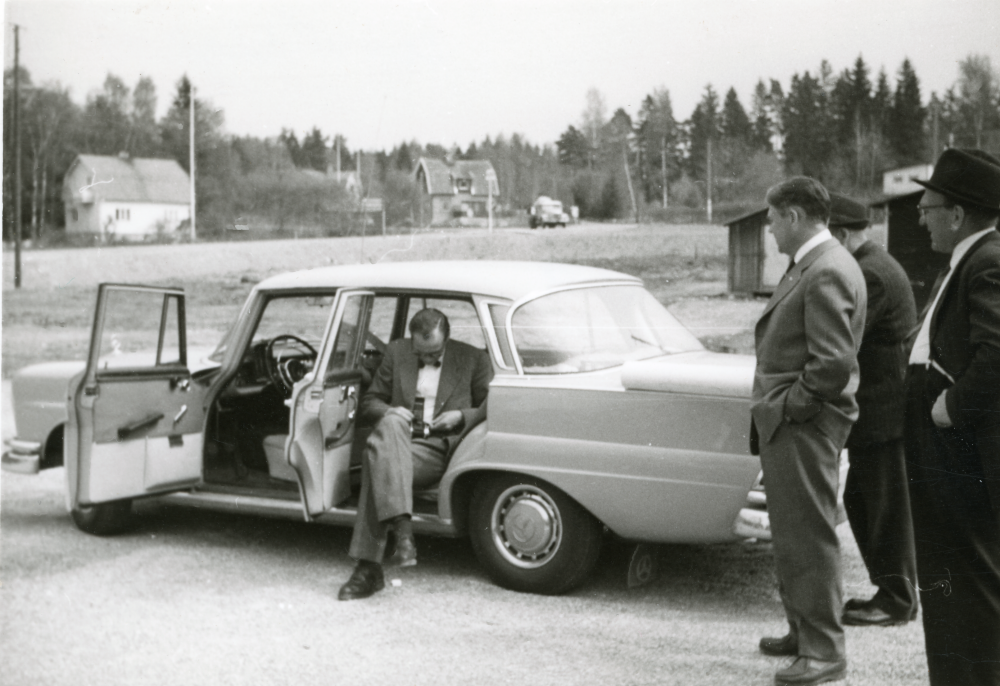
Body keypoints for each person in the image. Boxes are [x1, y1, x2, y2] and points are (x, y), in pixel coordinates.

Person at [752, 177, 867, 686]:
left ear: (795, 217)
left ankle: (823, 653)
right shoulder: (816, 264)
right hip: (794, 424)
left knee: (810, 538)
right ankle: (804, 632)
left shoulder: (825, 270)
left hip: (804, 425)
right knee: (793, 535)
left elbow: (831, 363)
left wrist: (788, 408)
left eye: (773, 218)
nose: (769, 229)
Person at [905, 148, 1000, 686]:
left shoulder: (987, 261)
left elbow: (998, 353)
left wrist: (951, 407)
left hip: (958, 451)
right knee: (944, 583)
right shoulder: (969, 259)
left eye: (930, 203)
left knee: (971, 586)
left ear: (958, 213)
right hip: (941, 450)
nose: (920, 211)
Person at [338, 308, 493, 601]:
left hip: (435, 448)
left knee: (376, 461)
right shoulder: (397, 352)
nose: (427, 359)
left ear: (447, 339)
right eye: (420, 353)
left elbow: (492, 407)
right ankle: (403, 535)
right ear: (411, 342)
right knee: (390, 430)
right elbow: (370, 401)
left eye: (434, 353)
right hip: (398, 438)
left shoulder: (473, 359)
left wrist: (460, 416)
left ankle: (369, 566)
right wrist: (390, 410)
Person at [826, 193, 919, 627]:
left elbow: (841, 339)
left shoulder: (870, 275)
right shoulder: (876, 265)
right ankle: (893, 593)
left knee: (883, 506)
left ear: (842, 235)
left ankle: (897, 599)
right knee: (867, 501)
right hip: (882, 410)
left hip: (882, 413)